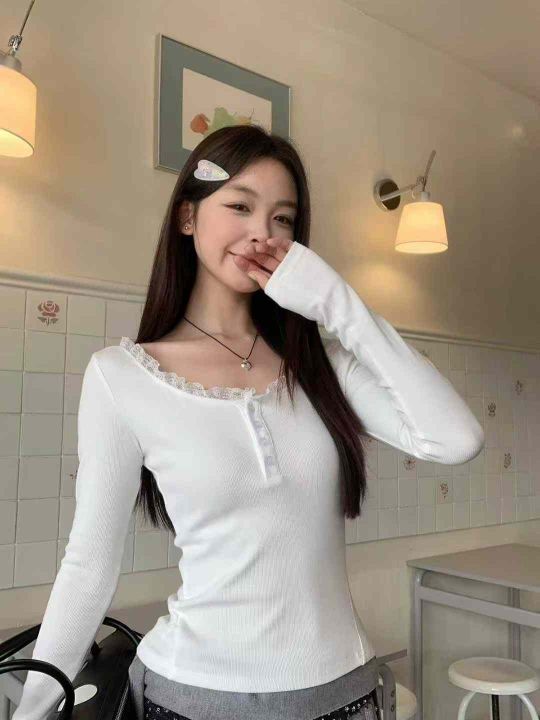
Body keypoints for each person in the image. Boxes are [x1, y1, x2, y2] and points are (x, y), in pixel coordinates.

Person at [12, 124, 484, 720]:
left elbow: (456, 439)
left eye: (283, 218)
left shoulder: (320, 365)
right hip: (190, 697)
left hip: (346, 693)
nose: (263, 231)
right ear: (188, 217)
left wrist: (337, 302)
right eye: (240, 206)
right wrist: (32, 710)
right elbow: (88, 567)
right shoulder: (121, 376)